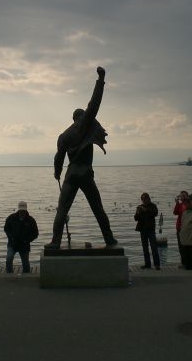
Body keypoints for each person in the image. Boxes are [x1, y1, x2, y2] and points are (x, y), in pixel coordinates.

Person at [44, 66, 117, 249]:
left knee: (62, 209)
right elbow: (94, 103)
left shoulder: (63, 136)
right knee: (97, 208)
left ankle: (55, 242)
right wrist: (101, 80)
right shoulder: (84, 124)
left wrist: (57, 172)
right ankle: (109, 240)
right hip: (85, 173)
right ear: (82, 117)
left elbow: (58, 157)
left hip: (71, 174)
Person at [4, 201, 39, 273]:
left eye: (23, 210)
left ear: (26, 209)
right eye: (21, 210)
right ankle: (9, 274)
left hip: (24, 245)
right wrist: (11, 237)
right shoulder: (11, 218)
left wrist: (27, 240)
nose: (22, 212)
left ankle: (26, 275)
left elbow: (35, 233)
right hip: (12, 243)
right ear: (18, 209)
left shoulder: (31, 220)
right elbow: (6, 229)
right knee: (9, 258)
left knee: (25, 262)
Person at [134, 192, 161, 270]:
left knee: (154, 248)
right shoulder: (140, 207)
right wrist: (137, 213)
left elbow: (155, 213)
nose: (144, 200)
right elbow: (136, 218)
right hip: (142, 230)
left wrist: (145, 210)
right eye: (142, 199)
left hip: (151, 230)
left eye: (145, 199)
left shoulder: (153, 206)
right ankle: (147, 264)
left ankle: (157, 265)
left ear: (149, 199)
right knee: (145, 248)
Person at [173, 191, 189, 265]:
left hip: (187, 228)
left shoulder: (189, 205)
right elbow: (175, 212)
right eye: (182, 195)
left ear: (187, 196)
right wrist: (177, 203)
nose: (182, 197)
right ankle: (183, 262)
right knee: (181, 246)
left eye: (184, 195)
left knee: (187, 245)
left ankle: (187, 262)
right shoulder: (180, 205)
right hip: (180, 228)